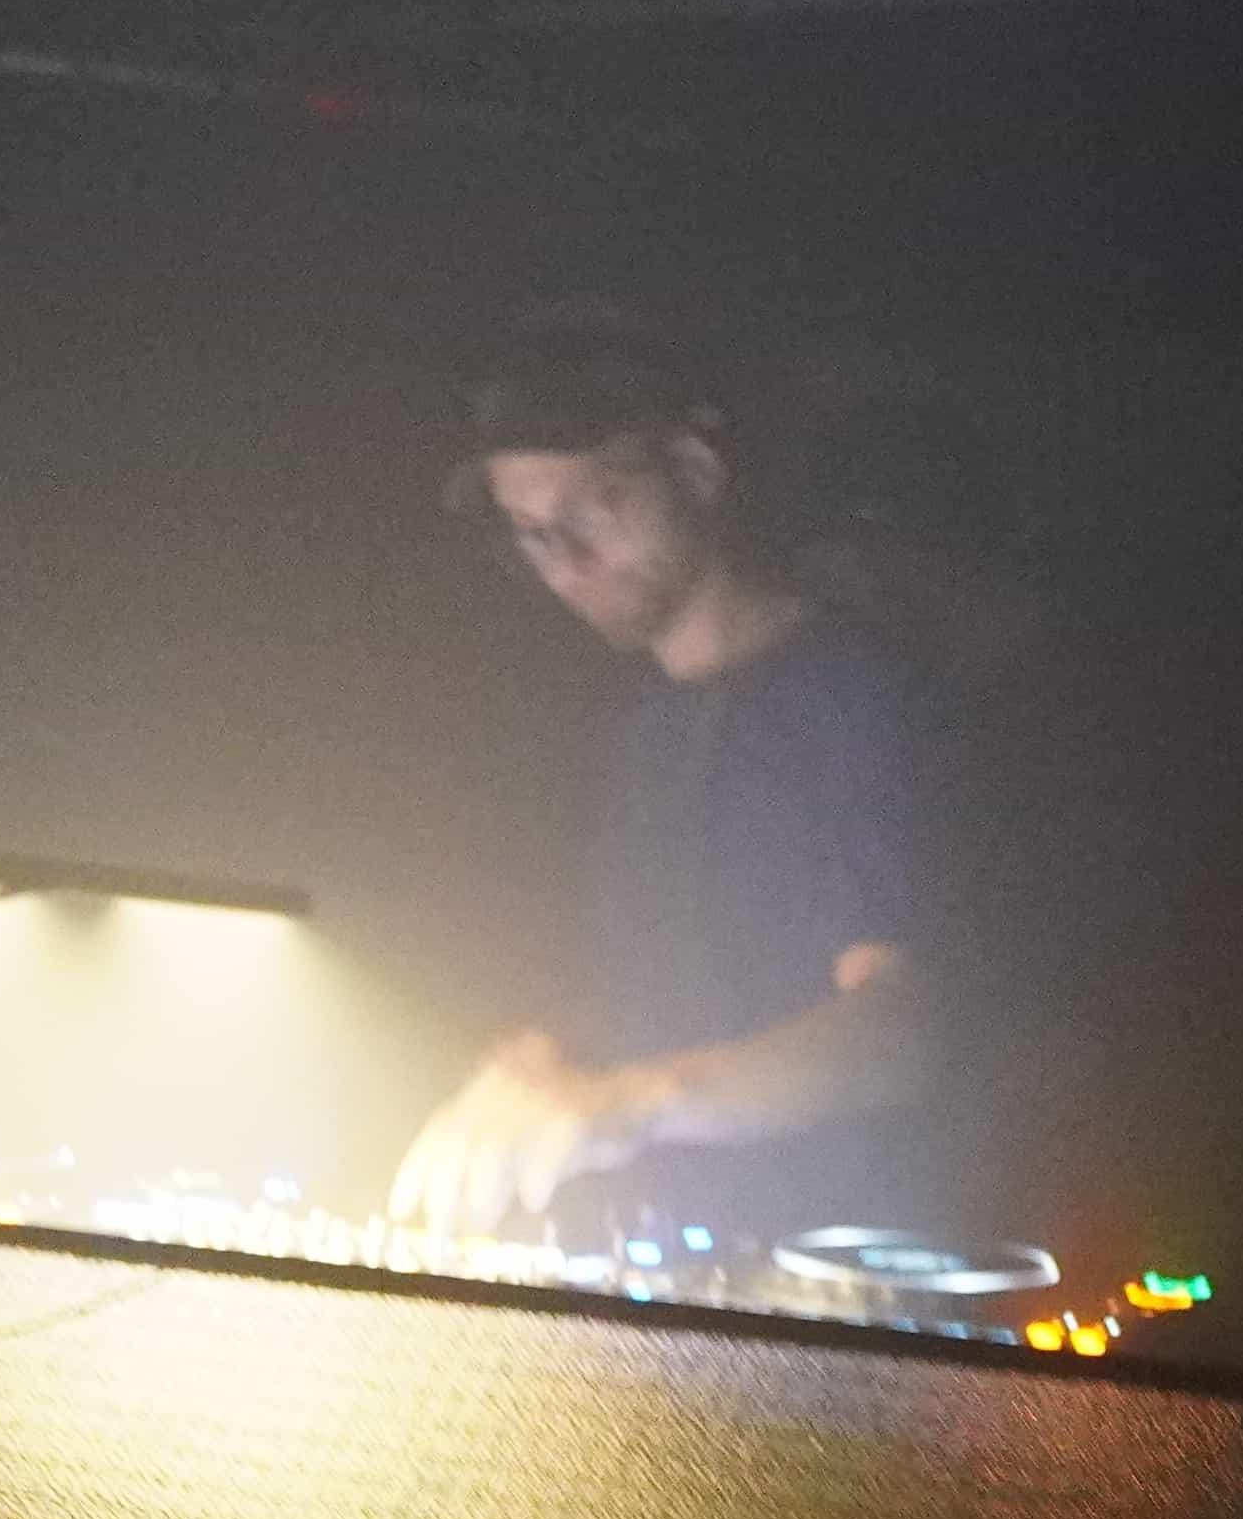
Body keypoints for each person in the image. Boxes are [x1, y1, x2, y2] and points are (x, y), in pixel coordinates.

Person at [385, 310, 968, 1249]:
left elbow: (900, 1027)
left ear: (695, 472)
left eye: (595, 508)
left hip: (854, 1265)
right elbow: (679, 991)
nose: (567, 563)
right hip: (695, 1264)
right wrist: (555, 1057)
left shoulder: (850, 696)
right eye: (533, 534)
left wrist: (633, 1102)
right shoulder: (645, 731)